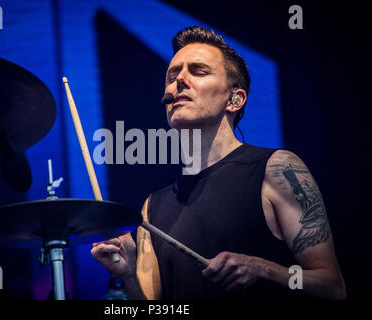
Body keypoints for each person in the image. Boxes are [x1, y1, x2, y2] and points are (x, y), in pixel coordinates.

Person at [91, 26, 346, 300]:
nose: (179, 82)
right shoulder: (152, 208)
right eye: (173, 75)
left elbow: (332, 287)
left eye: (198, 71)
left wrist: (264, 269)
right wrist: (128, 274)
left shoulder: (277, 169)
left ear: (235, 99)